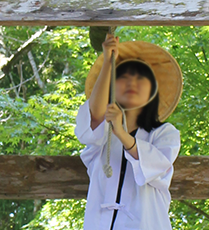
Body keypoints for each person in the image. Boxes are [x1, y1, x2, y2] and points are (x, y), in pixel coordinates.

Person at [75, 35, 183, 230]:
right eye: (123, 77)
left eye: (140, 78)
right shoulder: (102, 135)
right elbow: (95, 115)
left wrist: (123, 134)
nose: (131, 83)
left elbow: (156, 165)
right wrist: (108, 61)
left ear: (153, 90)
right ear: (112, 87)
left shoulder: (165, 134)